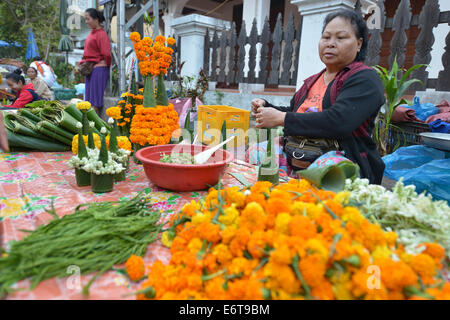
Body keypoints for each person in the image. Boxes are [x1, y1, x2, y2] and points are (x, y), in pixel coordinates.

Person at [251, 10, 385, 184]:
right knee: (258, 151)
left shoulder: (365, 79)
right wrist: (268, 107)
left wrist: (282, 118)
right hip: (298, 150)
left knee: (331, 170)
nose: (330, 44)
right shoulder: (311, 81)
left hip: (340, 156)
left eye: (341, 38)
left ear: (359, 44)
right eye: (326, 37)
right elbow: (294, 112)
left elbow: (339, 121)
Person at [79, 8, 111, 115]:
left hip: (99, 69)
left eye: (88, 19)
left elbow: (106, 53)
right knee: (89, 101)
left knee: (95, 102)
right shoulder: (92, 33)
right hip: (91, 69)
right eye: (85, 19)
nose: (86, 21)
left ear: (96, 19)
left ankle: (94, 127)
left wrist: (105, 65)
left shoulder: (101, 34)